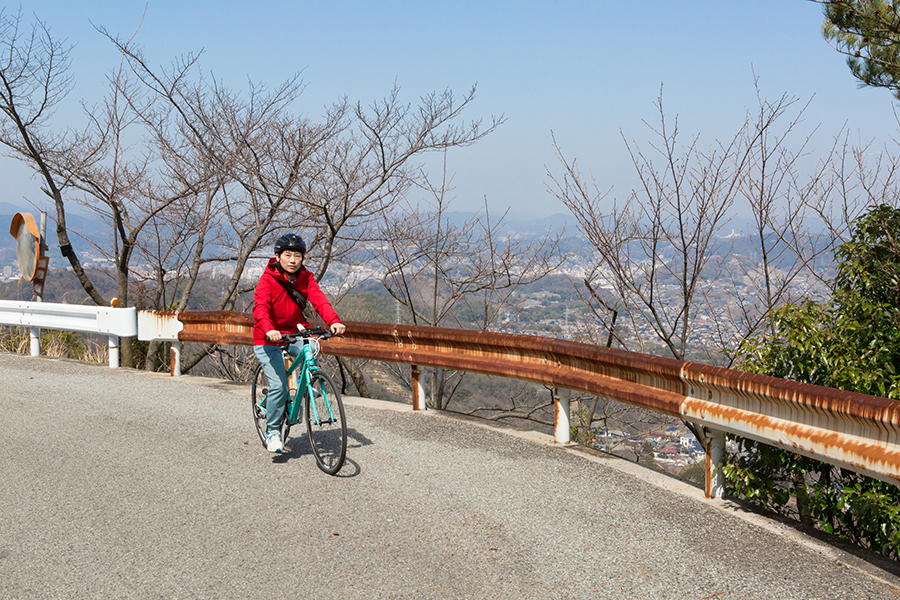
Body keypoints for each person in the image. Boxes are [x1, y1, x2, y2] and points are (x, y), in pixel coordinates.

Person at [252, 233, 346, 453]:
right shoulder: (267, 279)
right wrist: (269, 329)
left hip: (294, 332)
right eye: (287, 255)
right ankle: (273, 430)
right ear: (278, 257)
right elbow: (260, 307)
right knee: (278, 386)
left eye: (297, 255)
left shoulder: (306, 277)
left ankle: (306, 381)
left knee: (312, 346)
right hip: (268, 337)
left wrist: (334, 321)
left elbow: (319, 299)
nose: (293, 260)